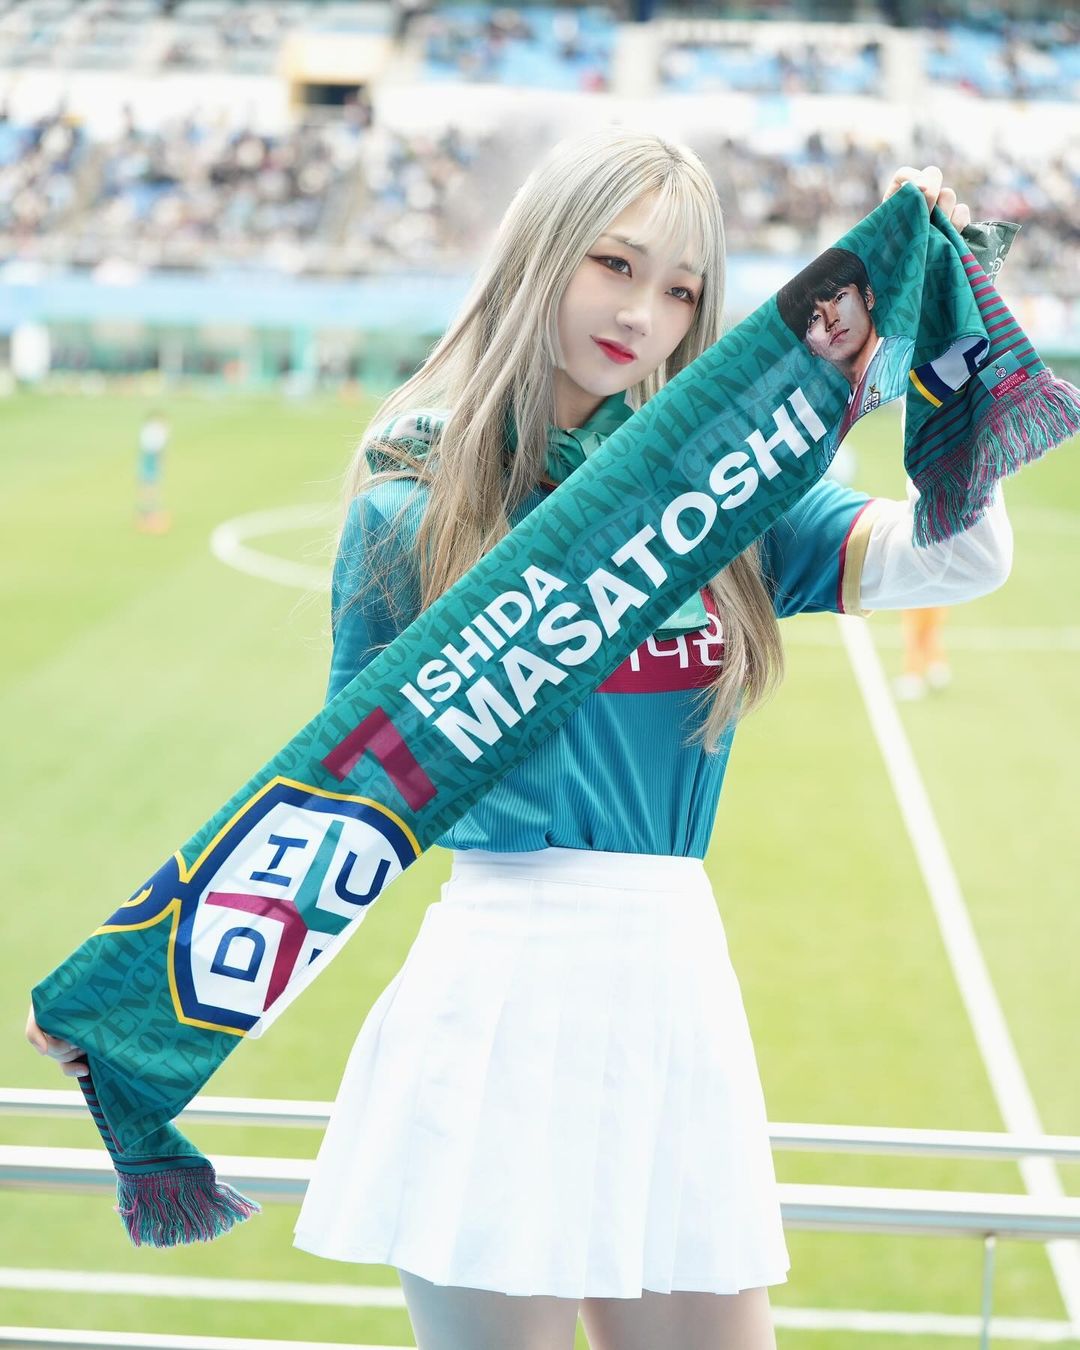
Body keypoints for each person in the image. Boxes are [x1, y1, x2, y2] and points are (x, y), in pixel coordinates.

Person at [28, 133, 1012, 1350]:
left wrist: (952, 304)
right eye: (615, 264)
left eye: (682, 289)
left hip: (674, 995)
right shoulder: (413, 503)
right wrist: (129, 1003)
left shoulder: (720, 492)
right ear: (543, 252)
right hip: (499, 1002)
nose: (643, 314)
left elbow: (965, 557)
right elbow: (348, 800)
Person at [776, 246, 916, 454]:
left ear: (868, 296)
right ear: (808, 345)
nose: (831, 320)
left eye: (839, 297)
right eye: (814, 318)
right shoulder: (838, 409)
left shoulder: (910, 359)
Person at [136, 409, 170, 533]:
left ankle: (148, 511)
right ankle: (149, 512)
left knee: (148, 486)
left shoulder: (150, 429)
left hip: (149, 458)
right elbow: (156, 449)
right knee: (150, 486)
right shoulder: (155, 430)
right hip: (151, 459)